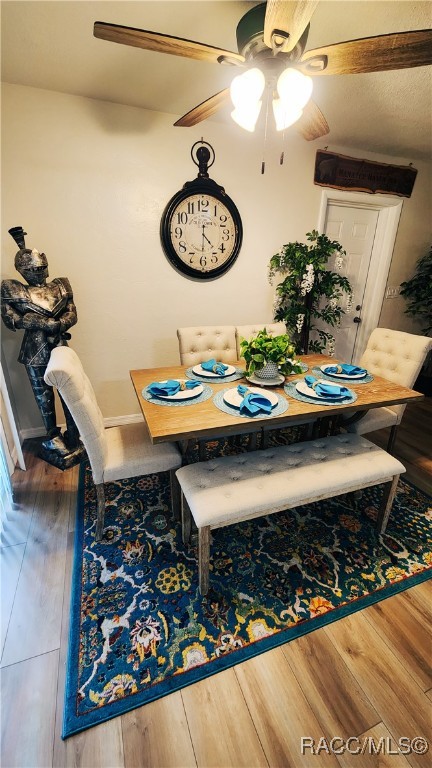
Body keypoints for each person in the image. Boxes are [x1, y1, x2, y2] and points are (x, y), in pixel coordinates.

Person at [1, 227, 83, 468]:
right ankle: (52, 436)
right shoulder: (14, 289)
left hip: (60, 345)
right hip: (34, 350)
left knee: (69, 393)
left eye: (41, 268)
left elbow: (72, 311)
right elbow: (11, 319)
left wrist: (59, 323)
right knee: (43, 398)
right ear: (22, 271)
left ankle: (74, 434)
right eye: (32, 269)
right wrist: (38, 321)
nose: (38, 273)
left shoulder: (59, 286)